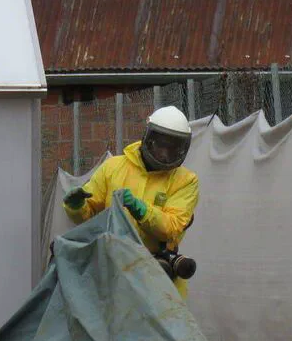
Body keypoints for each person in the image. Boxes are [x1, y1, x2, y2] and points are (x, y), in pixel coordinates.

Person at [63, 105, 199, 298]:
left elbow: (171, 227)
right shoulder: (113, 168)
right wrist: (76, 207)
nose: (165, 154)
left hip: (158, 279)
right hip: (113, 274)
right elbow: (88, 215)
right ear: (149, 137)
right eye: (161, 145)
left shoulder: (186, 181)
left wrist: (140, 209)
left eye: (173, 148)